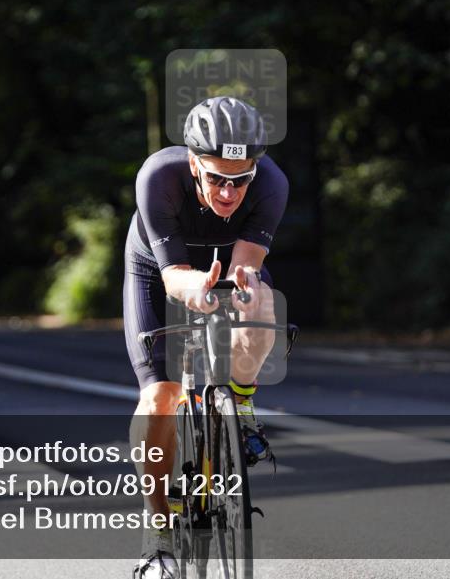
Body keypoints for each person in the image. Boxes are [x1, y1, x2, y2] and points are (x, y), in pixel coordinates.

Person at [124, 97, 288, 578]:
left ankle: (238, 400)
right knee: (160, 398)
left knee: (261, 306)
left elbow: (245, 266)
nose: (229, 192)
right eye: (217, 178)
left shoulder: (272, 183)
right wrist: (192, 286)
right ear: (194, 163)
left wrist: (240, 290)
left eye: (241, 179)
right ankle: (158, 536)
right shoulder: (158, 177)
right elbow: (175, 278)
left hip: (229, 261)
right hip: (160, 271)